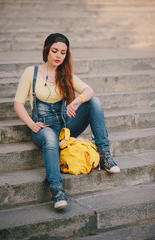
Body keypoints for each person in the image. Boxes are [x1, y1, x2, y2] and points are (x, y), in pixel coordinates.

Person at [14, 33, 120, 211]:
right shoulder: (31, 72)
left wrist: (76, 101)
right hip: (41, 127)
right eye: (55, 51)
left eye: (63, 52)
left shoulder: (65, 74)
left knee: (94, 102)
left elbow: (89, 90)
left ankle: (104, 154)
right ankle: (56, 189)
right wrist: (32, 125)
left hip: (64, 126)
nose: (58, 56)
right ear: (46, 50)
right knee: (48, 135)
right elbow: (18, 104)